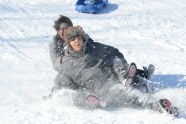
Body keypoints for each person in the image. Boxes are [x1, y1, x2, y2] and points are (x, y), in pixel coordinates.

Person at [52, 26, 178, 116]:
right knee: (72, 95)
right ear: (69, 43)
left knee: (129, 90)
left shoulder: (94, 48)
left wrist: (121, 68)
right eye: (73, 40)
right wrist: (54, 94)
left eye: (79, 38)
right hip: (94, 91)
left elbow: (114, 52)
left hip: (110, 82)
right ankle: (94, 102)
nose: (77, 41)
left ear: (83, 39)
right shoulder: (67, 63)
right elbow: (61, 83)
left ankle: (159, 105)